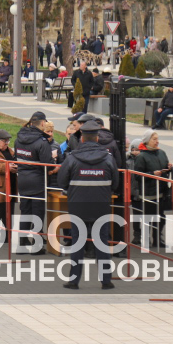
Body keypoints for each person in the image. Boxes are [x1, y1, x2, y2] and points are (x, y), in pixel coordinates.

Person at [57, 119, 118, 289]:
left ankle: (74, 281)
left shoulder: (72, 158)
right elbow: (115, 183)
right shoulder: (108, 158)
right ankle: (106, 281)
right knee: (102, 242)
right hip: (101, 206)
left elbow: (61, 181)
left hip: (78, 206)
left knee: (77, 243)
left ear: (82, 138)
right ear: (97, 138)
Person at [13, 113, 54, 253]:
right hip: (37, 182)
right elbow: (48, 164)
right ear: (42, 123)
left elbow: (17, 158)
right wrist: (53, 160)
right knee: (37, 213)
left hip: (22, 180)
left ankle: (22, 243)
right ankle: (37, 246)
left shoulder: (18, 139)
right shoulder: (42, 142)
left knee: (25, 211)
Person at [133, 131, 171, 251]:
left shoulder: (162, 153)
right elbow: (137, 176)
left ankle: (157, 238)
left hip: (161, 191)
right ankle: (146, 239)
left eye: (157, 139)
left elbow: (165, 166)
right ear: (147, 141)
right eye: (154, 139)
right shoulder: (141, 156)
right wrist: (152, 174)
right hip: (148, 193)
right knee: (148, 217)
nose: (157, 141)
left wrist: (169, 168)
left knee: (161, 217)